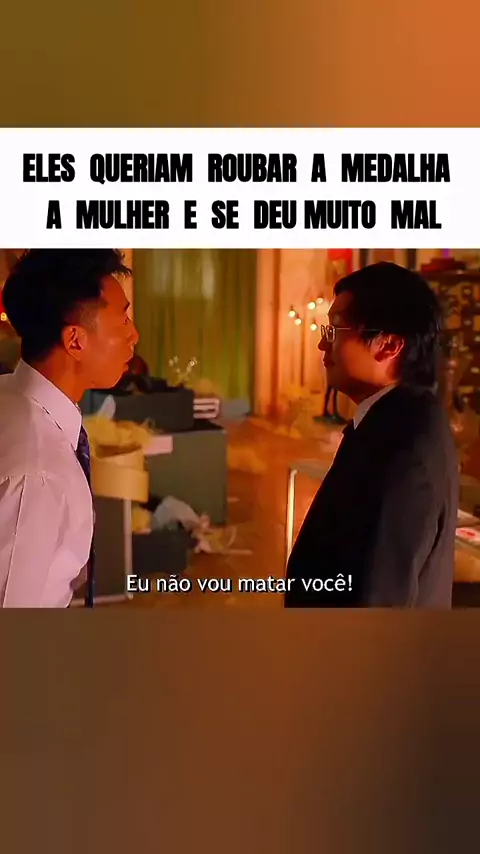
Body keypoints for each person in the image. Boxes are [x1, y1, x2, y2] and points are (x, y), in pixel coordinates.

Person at [284, 262, 459, 608]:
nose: (322, 344)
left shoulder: (406, 452)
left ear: (388, 345)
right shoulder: (392, 421)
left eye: (335, 330)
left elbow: (378, 599)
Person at [0, 250, 138, 607]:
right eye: (123, 320)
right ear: (76, 341)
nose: (134, 336)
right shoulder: (36, 475)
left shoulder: (9, 396)